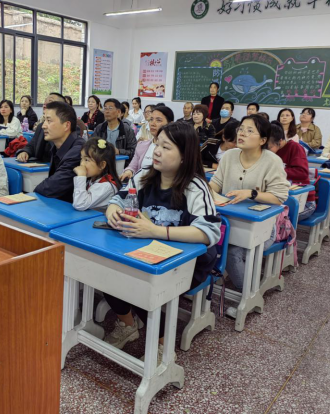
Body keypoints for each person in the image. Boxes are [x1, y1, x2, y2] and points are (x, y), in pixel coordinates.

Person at [103, 122, 221, 358]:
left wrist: (156, 231)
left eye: (166, 147)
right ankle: (128, 325)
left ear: (184, 156)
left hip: (187, 261)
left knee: (142, 284)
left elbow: (208, 232)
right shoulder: (144, 176)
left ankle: (162, 345)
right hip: (145, 250)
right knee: (106, 269)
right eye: (157, 144)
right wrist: (113, 211)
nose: (156, 151)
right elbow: (117, 200)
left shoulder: (196, 186)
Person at [209, 115, 289, 315]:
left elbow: (279, 197)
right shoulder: (229, 156)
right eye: (241, 129)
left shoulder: (272, 161)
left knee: (233, 252)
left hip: (262, 228)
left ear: (263, 140)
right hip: (227, 222)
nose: (242, 133)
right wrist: (206, 191)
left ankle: (250, 295)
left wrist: (252, 194)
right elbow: (216, 184)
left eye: (250, 130)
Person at [34, 101, 85, 202]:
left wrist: (37, 189)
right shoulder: (56, 146)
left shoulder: (79, 151)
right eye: (44, 120)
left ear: (66, 125)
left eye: (49, 121)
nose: (43, 126)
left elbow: (51, 187)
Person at [268, 121, 315, 221]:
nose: (267, 151)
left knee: (276, 221)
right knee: (267, 219)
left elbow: (302, 173)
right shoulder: (269, 152)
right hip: (277, 199)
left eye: (269, 147)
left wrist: (276, 170)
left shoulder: (295, 148)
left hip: (303, 202)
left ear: (280, 141)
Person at [119, 106, 174, 181]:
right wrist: (129, 171)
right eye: (151, 119)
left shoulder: (174, 149)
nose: (152, 124)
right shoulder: (142, 145)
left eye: (158, 120)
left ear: (170, 124)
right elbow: (133, 166)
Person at [72, 138, 121, 211]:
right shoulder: (92, 180)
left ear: (102, 165)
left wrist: (81, 176)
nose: (82, 164)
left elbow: (79, 204)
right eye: (81, 159)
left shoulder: (106, 186)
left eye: (86, 160)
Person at [16, 92, 66, 163]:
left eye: (50, 101)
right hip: (40, 166)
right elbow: (32, 145)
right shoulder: (41, 127)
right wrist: (25, 152)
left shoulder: (67, 127)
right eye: (45, 101)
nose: (45, 103)